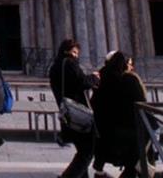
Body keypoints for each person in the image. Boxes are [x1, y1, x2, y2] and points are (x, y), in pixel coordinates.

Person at [91, 51, 148, 178]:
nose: (131, 67)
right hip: (124, 126)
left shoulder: (102, 76)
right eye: (129, 64)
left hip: (105, 125)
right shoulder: (127, 79)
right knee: (142, 144)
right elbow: (139, 101)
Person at [49, 39, 96, 178]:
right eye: (74, 52)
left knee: (82, 150)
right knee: (87, 151)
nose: (76, 55)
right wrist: (94, 78)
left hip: (67, 113)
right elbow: (81, 82)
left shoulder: (54, 67)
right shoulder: (69, 64)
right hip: (79, 113)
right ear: (67, 51)